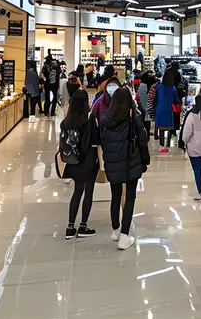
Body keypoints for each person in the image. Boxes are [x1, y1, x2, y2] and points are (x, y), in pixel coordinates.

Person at [98, 87, 150, 250]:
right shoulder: (133, 118)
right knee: (130, 197)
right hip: (131, 162)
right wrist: (145, 161)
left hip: (112, 163)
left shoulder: (105, 120)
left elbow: (102, 142)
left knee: (115, 196)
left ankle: (115, 230)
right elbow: (142, 140)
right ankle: (125, 235)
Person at [60, 88, 99, 240]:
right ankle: (83, 226)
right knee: (88, 193)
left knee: (77, 192)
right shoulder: (90, 121)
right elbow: (96, 141)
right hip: (89, 162)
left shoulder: (67, 122)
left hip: (74, 162)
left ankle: (70, 227)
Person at [153, 70, 181, 152]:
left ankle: (161, 146)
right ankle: (167, 144)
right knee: (169, 128)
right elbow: (177, 100)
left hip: (159, 109)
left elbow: (155, 98)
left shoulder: (159, 87)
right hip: (168, 110)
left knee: (161, 129)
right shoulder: (172, 88)